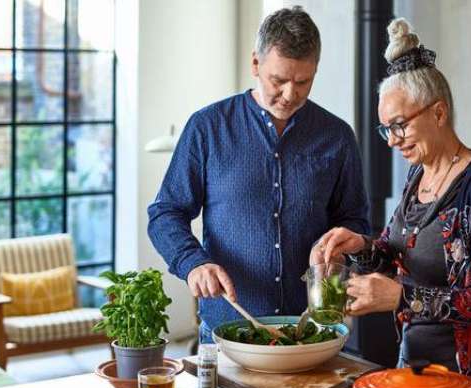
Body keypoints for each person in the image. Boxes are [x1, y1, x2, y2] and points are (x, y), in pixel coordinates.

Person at [310, 18, 471, 388]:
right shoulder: (417, 177)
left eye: (399, 125)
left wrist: (401, 297)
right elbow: (396, 254)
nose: (392, 140)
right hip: (416, 370)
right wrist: (359, 246)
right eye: (385, 129)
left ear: (439, 113)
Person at [148, 6, 370, 345]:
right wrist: (193, 262)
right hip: (228, 332)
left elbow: (355, 220)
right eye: (278, 81)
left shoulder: (337, 136)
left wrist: (345, 244)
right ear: (255, 64)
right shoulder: (207, 128)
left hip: (311, 332)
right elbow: (165, 213)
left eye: (303, 82)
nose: (290, 94)